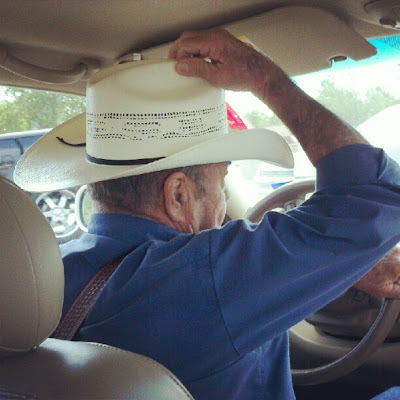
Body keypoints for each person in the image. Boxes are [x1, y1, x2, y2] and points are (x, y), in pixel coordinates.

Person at [14, 29, 400, 399]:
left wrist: (333, 266)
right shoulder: (208, 277)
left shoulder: (41, 284)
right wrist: (261, 76)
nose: (225, 196)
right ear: (178, 195)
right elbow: (377, 195)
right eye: (223, 179)